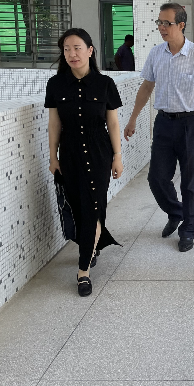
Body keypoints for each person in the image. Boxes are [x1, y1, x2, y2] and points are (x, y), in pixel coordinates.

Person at [123, 2, 194, 252]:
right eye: (159, 22)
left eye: (166, 23)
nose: (161, 27)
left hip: (190, 124)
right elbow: (147, 87)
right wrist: (133, 118)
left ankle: (189, 230)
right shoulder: (156, 54)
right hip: (164, 123)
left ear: (181, 25)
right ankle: (176, 212)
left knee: (191, 181)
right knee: (157, 177)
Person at [46, 28, 124, 297]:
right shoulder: (56, 85)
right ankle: (92, 246)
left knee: (93, 207)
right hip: (70, 154)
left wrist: (117, 156)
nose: (72, 54)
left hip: (99, 152)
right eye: (67, 49)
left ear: (90, 51)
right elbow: (54, 124)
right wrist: (53, 157)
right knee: (80, 209)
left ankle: (83, 271)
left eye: (77, 48)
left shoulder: (105, 84)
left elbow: (113, 123)